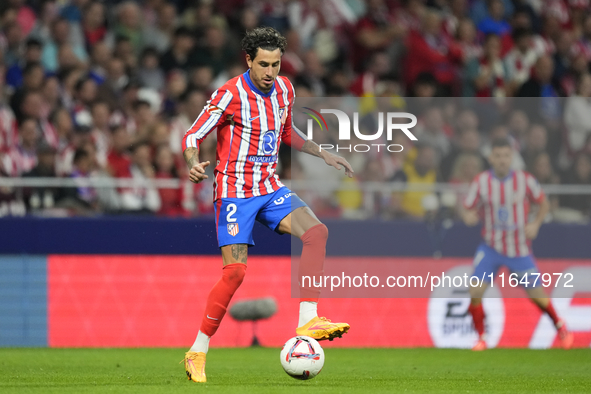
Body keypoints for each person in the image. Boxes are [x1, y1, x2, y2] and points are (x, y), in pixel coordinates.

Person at [180, 27, 353, 383]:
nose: (270, 72)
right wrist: (192, 161)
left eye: (275, 64)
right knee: (235, 274)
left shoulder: (285, 89)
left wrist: (322, 153)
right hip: (234, 192)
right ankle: (197, 351)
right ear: (248, 60)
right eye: (263, 64)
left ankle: (308, 318)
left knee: (317, 233)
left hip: (269, 186)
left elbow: (287, 133)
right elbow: (193, 133)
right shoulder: (229, 94)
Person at [462, 137, 573, 351]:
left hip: (518, 249)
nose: (502, 160)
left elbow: (543, 203)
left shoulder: (525, 180)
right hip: (490, 247)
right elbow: (467, 207)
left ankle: (561, 327)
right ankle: (481, 338)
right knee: (475, 291)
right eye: (498, 156)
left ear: (511, 157)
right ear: (491, 157)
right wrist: (468, 216)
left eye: (506, 156)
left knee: (538, 297)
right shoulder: (481, 181)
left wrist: (536, 224)